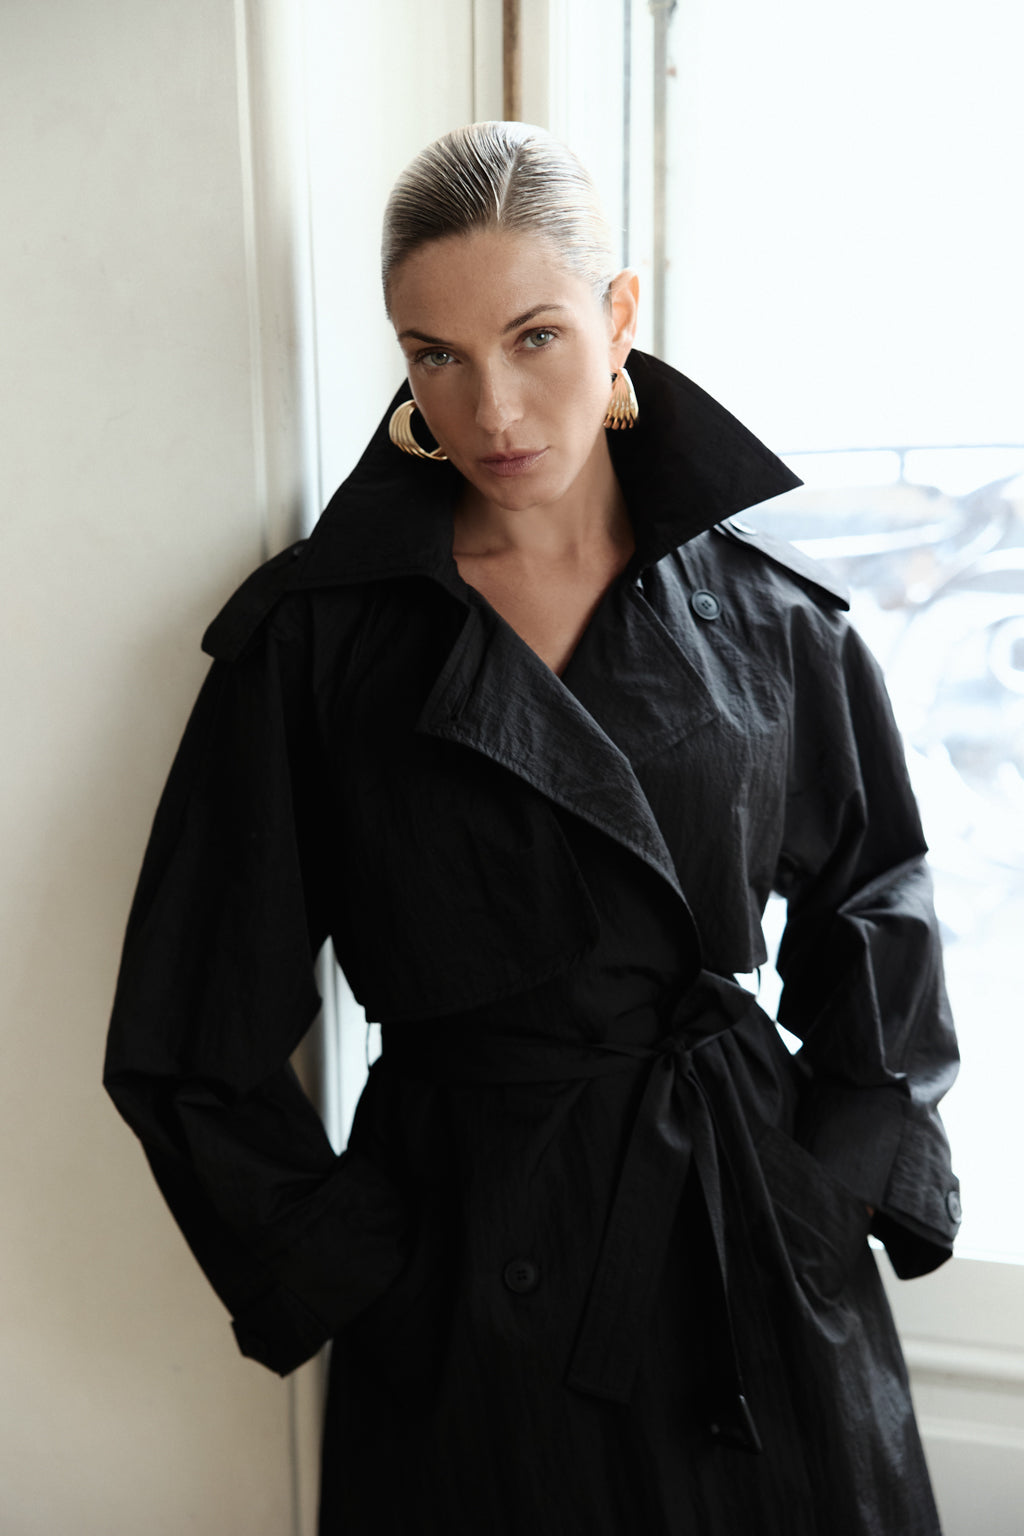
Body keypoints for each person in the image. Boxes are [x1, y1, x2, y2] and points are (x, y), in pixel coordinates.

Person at [105, 121, 961, 1536]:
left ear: (620, 317)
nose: (489, 408)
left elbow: (881, 897)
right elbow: (191, 1029)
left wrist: (829, 1182)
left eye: (535, 336)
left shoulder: (772, 618)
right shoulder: (317, 646)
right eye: (434, 354)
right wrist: (374, 1263)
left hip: (743, 1243)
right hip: (468, 1277)